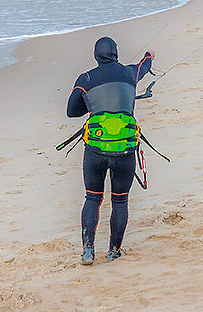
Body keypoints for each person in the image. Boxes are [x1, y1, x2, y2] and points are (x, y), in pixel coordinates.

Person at [67, 36, 154, 265]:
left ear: (96, 56)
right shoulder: (129, 73)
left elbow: (71, 111)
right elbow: (143, 67)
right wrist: (149, 56)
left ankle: (88, 250)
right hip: (125, 150)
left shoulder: (86, 78)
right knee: (120, 201)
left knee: (92, 198)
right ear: (116, 52)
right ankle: (114, 252)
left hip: (95, 150)